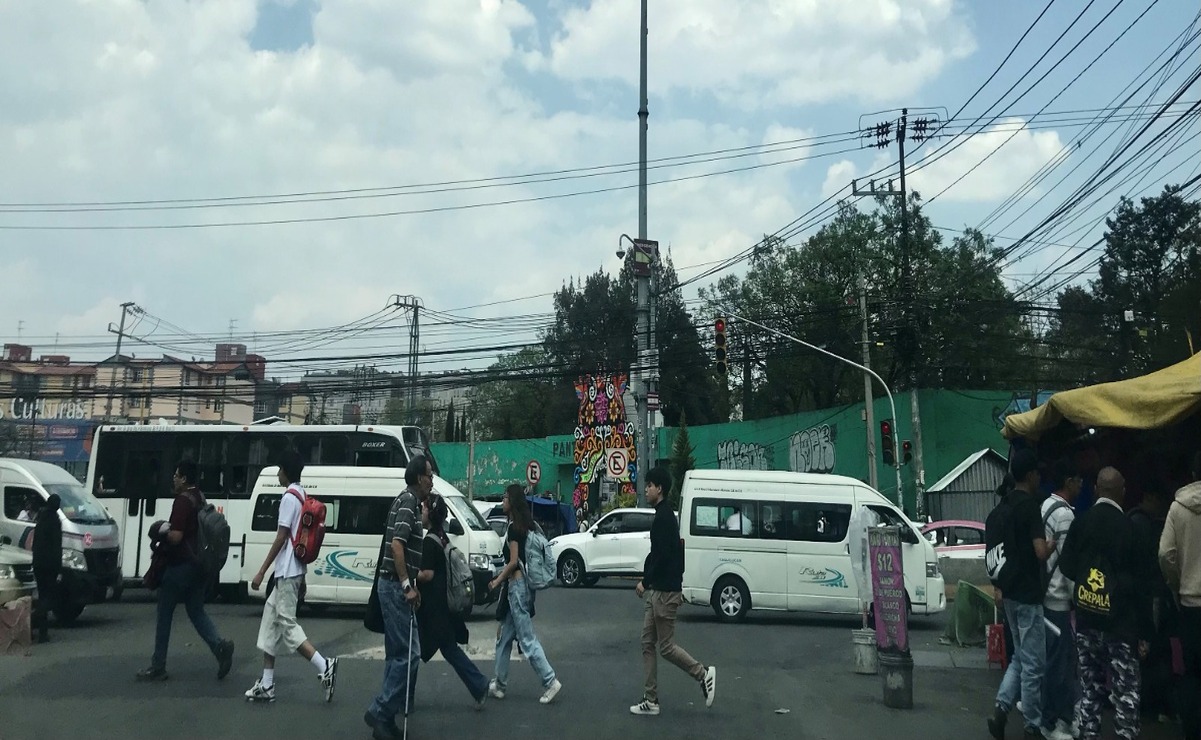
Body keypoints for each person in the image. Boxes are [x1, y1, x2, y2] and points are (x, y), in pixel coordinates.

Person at [1060, 467, 1156, 740]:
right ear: (1123, 492)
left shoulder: (1081, 523)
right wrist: (1145, 633)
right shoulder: (1131, 528)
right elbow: (1144, 586)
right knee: (1125, 691)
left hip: (1087, 620)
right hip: (1122, 626)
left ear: (1096, 490)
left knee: (1090, 688)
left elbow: (1066, 566)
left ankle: (1089, 733)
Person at [243, 450, 338, 704]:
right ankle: (267, 684)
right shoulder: (302, 494)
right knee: (270, 621)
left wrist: (262, 571)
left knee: (286, 624)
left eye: (279, 469)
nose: (277, 474)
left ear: (285, 471)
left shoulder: (288, 498)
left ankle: (324, 665)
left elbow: (282, 536)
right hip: (294, 570)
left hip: (286, 571)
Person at [987, 449, 1068, 740]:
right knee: (1034, 664)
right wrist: (1053, 544)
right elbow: (1039, 552)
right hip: (1029, 595)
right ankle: (1032, 726)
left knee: (1020, 657)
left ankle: (1001, 709)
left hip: (1008, 593)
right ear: (1031, 475)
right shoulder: (1029, 508)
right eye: (1037, 473)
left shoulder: (1001, 509)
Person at [136, 460, 234, 682]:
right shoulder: (199, 497)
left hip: (180, 566)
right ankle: (219, 647)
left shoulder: (182, 501)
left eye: (176, 475)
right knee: (196, 611)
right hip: (199, 565)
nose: (173, 479)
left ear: (184, 478)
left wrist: (161, 531)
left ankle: (158, 665)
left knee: (164, 613)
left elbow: (177, 536)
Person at [629, 466, 717, 716]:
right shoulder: (663, 516)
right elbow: (661, 555)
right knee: (647, 642)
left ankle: (702, 674)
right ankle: (651, 700)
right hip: (660, 590)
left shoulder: (664, 518)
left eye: (650, 485)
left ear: (660, 489)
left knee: (666, 647)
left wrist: (645, 581)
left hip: (664, 592)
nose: (646, 489)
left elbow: (663, 557)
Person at [365, 455, 432, 740]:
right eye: (429, 476)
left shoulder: (409, 503)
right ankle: (380, 710)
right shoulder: (407, 502)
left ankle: (386, 719)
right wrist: (407, 586)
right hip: (394, 586)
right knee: (409, 655)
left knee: (396, 656)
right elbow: (397, 545)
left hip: (393, 585)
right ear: (418, 478)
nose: (431, 482)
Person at [487, 484, 561, 705]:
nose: (503, 501)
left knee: (527, 640)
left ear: (513, 502)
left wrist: (497, 581)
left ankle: (550, 681)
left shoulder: (514, 528)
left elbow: (513, 562)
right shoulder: (527, 526)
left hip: (517, 588)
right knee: (504, 639)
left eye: (505, 497)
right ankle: (499, 684)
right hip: (520, 589)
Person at [415, 493, 488, 708]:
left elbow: (427, 574)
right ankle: (479, 684)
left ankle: (402, 697)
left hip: (432, 610)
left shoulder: (430, 541)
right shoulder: (442, 537)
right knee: (449, 650)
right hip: (442, 607)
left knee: (411, 651)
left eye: (423, 508)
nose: (421, 512)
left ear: (431, 513)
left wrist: (409, 574)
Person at [1160, 452, 1201, 740]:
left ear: (1192, 473)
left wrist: (1177, 583)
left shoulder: (1178, 507)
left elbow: (1165, 554)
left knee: (1193, 673)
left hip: (1190, 603)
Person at [1129, 481, 1177, 723]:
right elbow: (1159, 558)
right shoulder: (1148, 525)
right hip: (1153, 592)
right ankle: (1155, 703)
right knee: (1155, 647)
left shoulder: (1130, 521)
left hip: (1134, 594)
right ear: (1149, 497)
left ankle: (1139, 700)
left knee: (1139, 647)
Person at [1040, 460, 1081, 738]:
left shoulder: (1045, 506)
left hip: (1045, 595)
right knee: (1061, 665)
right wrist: (1078, 596)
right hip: (1058, 598)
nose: (1082, 486)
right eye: (1079, 480)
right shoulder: (1065, 515)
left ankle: (1060, 718)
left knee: (1055, 662)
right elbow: (1068, 563)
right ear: (1069, 481)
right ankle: (1053, 722)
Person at [31, 494, 61, 644]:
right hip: (50, 565)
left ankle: (38, 628)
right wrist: (59, 568)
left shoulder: (40, 519)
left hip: (38, 564)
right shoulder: (54, 521)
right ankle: (39, 628)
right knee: (47, 597)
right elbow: (56, 546)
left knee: (42, 594)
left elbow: (35, 543)